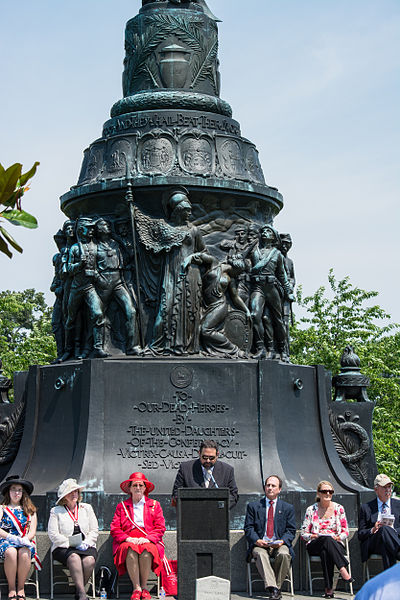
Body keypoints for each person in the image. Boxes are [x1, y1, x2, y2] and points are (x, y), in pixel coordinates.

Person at [110, 472, 166, 600]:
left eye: (141, 485)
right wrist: (127, 538)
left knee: (147, 550)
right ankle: (136, 588)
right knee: (130, 550)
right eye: (135, 485)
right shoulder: (122, 506)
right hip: (128, 538)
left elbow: (160, 527)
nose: (138, 488)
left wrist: (147, 538)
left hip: (148, 538)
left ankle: (144, 587)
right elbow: (115, 528)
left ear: (145, 488)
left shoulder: (155, 505)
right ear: (130, 488)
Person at [244, 475, 296, 600]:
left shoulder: (287, 508)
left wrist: (282, 541)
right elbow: (248, 528)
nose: (270, 488)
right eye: (268, 485)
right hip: (260, 544)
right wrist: (257, 540)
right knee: (260, 554)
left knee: (284, 554)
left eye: (273, 486)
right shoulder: (254, 506)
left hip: (279, 544)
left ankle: (275, 589)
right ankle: (275, 589)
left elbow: (291, 530)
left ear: (279, 489)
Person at [301, 480, 354, 599]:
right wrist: (313, 536)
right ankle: (342, 568)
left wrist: (338, 537)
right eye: (324, 491)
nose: (328, 494)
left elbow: (346, 531)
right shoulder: (311, 510)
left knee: (326, 549)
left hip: (335, 543)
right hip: (315, 543)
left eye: (330, 491)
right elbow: (304, 533)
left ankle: (328, 588)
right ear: (318, 493)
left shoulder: (339, 508)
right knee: (325, 539)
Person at [48, 479, 98, 600]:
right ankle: (82, 594)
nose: (74, 494)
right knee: (74, 557)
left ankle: (79, 589)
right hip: (64, 548)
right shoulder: (56, 511)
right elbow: (53, 534)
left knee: (89, 560)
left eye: (76, 491)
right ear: (64, 496)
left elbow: (94, 530)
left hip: (85, 545)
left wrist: (86, 543)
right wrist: (70, 543)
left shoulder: (87, 508)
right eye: (71, 492)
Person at [249, 225, 294, 361]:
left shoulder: (277, 254)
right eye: (263, 231)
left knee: (277, 319)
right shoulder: (254, 251)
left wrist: (288, 292)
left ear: (273, 237)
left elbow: (282, 276)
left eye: (268, 231)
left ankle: (281, 349)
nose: (264, 233)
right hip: (258, 287)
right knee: (254, 315)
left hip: (271, 288)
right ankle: (260, 348)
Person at [0, 475, 38, 600]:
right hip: (6, 540)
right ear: (8, 492)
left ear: (23, 493)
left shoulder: (30, 510)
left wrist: (25, 539)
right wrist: (11, 537)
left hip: (24, 541)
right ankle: (11, 588)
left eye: (19, 490)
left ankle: (21, 588)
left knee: (25, 553)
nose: (16, 493)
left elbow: (32, 530)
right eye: (14, 489)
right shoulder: (2, 508)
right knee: (10, 552)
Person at [171, 440, 239, 509]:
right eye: (205, 457)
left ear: (217, 455)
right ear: (199, 453)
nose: (208, 461)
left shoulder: (227, 470)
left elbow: (233, 495)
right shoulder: (185, 468)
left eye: (211, 458)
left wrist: (218, 506)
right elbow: (176, 493)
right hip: (192, 513)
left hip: (217, 514)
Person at [358, 473, 400, 570]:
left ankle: (389, 581)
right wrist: (373, 529)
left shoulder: (398, 505)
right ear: (376, 490)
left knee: (386, 544)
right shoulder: (366, 508)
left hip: (390, 541)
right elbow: (360, 534)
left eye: (389, 487)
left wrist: (392, 530)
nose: (388, 490)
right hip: (374, 542)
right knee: (383, 529)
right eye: (384, 487)